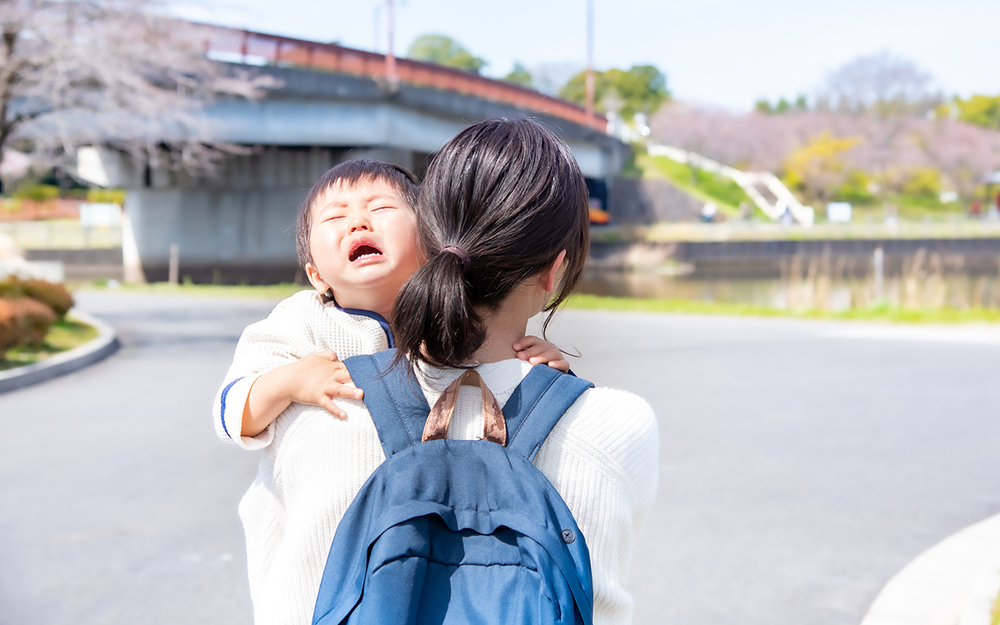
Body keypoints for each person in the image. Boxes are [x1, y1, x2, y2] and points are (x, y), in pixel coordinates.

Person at [212, 158, 569, 622]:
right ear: (317, 274)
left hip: (417, 534)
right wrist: (292, 380)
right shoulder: (301, 322)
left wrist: (533, 361)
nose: (358, 221)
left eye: (379, 208)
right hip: (317, 546)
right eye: (335, 217)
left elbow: (487, 386)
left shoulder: (453, 319)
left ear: (428, 245)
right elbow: (232, 411)